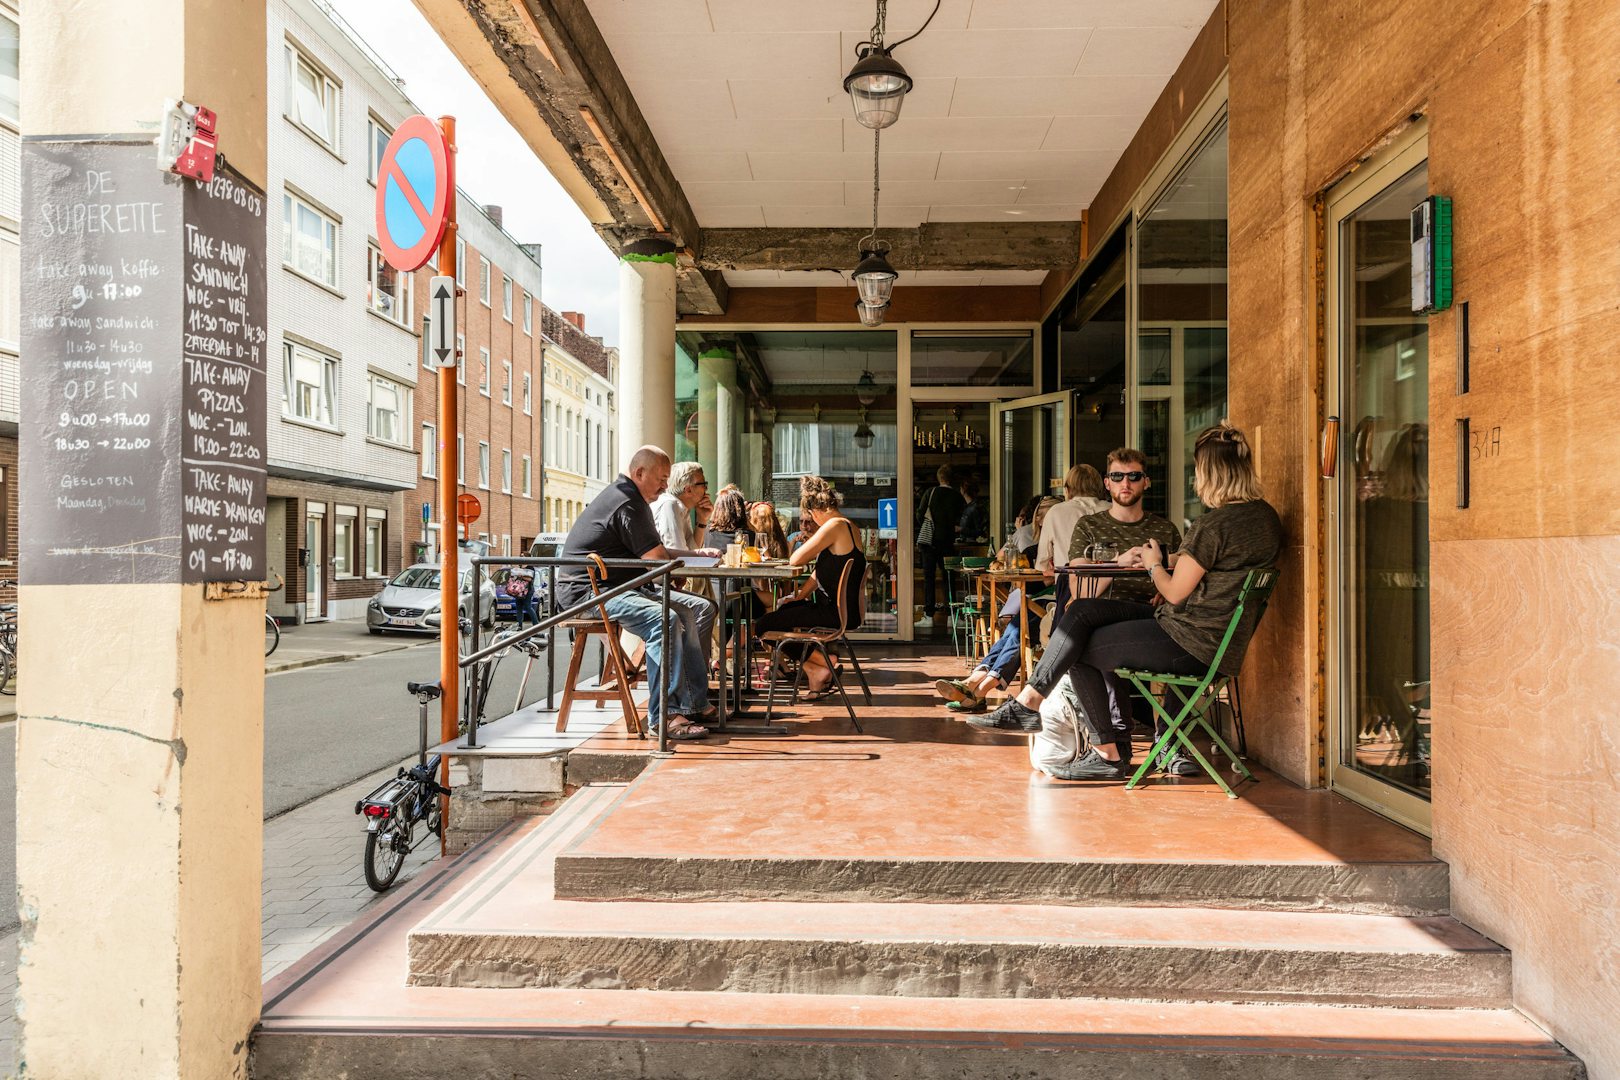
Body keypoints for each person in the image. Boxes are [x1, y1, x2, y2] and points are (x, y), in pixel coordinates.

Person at [973, 424, 1283, 783]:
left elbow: (1175, 593)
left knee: (1076, 645)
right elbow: (1212, 568)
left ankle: (1107, 753)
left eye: (1198, 470)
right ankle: (1029, 701)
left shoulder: (1214, 525)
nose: (1195, 477)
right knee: (1081, 612)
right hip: (1210, 636)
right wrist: (1166, 557)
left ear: (1212, 474)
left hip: (1189, 639)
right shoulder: (1265, 518)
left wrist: (1153, 564)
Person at [556, 446, 715, 742]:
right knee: (664, 619)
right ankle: (664, 716)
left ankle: (692, 702)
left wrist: (696, 554)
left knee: (692, 610)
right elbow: (656, 560)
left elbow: (655, 554)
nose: (666, 486)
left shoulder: (631, 498)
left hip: (615, 587)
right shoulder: (627, 502)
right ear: (639, 473)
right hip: (589, 593)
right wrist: (687, 560)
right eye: (662, 479)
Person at [753, 477, 866, 697]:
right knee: (785, 612)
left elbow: (795, 560)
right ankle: (814, 672)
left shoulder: (833, 526)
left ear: (814, 510)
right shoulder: (851, 526)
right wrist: (800, 596)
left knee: (764, 626)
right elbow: (820, 572)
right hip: (845, 610)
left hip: (834, 612)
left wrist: (805, 542)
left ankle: (826, 661)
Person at [648, 461, 722, 673]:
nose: (706, 489)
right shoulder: (670, 505)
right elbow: (678, 556)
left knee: (707, 603)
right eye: (703, 483)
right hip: (657, 583)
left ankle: (696, 674)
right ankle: (692, 675)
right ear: (689, 488)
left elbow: (689, 549)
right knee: (705, 607)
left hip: (668, 580)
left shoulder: (680, 508)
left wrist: (702, 521)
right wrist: (701, 554)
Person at [933, 587, 1033, 713]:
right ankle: (972, 684)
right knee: (1007, 637)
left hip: (1050, 609)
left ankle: (978, 691)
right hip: (1032, 603)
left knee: (1018, 635)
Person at [1035, 464, 1110, 577]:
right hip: (1111, 584)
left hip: (1069, 585)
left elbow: (1042, 562)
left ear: (1067, 488)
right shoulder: (1113, 509)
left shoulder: (1056, 512)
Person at [915, 466, 965, 628]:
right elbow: (960, 520)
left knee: (929, 578)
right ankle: (952, 616)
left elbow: (920, 513)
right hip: (947, 541)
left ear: (939, 478)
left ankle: (928, 616)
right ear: (952, 479)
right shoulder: (957, 497)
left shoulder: (930, 493)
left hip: (929, 542)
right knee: (948, 578)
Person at [957, 476, 990, 544]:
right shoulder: (968, 507)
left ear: (963, 490)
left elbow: (979, 532)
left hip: (972, 546)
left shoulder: (975, 508)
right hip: (965, 545)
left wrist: (961, 529)